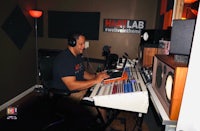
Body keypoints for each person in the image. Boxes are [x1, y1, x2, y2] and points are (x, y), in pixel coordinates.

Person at [52, 32, 110, 124]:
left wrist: (97, 76)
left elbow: (83, 73)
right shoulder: (64, 59)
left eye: (84, 43)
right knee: (99, 107)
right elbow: (72, 85)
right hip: (68, 96)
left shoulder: (77, 56)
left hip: (80, 91)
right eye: (81, 44)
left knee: (101, 102)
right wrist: (95, 81)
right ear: (72, 43)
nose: (84, 46)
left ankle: (103, 125)